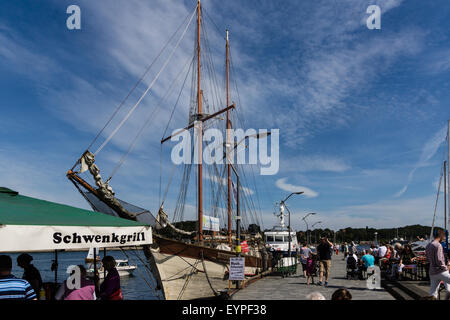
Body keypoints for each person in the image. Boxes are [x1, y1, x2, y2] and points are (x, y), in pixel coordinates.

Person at [426, 229, 450, 299]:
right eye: (444, 236)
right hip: (440, 271)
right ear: (441, 236)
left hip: (432, 271)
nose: (444, 238)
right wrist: (445, 268)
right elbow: (439, 260)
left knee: (433, 293)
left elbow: (427, 258)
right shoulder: (438, 245)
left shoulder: (428, 245)